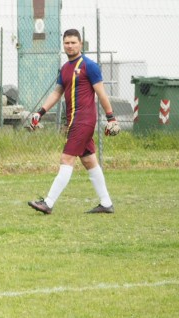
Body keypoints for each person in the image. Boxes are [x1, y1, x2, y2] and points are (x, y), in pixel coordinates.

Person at [27, 28, 120, 215]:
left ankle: (48, 203)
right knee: (89, 161)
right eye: (67, 43)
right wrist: (41, 112)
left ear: (80, 43)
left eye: (73, 42)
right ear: (63, 45)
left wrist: (111, 117)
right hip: (74, 120)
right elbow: (57, 92)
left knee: (66, 159)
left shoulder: (89, 66)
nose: (70, 46)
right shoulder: (65, 68)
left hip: (83, 120)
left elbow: (101, 93)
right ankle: (106, 203)